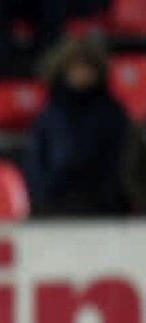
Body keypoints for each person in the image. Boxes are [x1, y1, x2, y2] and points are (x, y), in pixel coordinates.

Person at [24, 36, 131, 217]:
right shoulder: (50, 114)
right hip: (55, 202)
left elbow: (121, 160)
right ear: (63, 71)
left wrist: (111, 197)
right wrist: (45, 192)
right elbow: (37, 159)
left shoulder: (113, 113)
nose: (81, 74)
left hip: (103, 205)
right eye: (75, 68)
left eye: (87, 68)